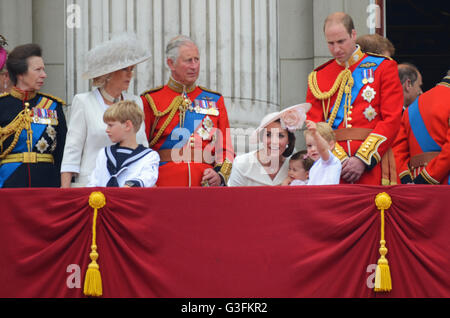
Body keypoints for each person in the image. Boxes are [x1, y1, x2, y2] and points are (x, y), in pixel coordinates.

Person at [306, 12, 403, 185]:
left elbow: (392, 119)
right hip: (334, 167)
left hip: (374, 165)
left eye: (341, 41)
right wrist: (340, 160)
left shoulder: (383, 67)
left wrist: (362, 159)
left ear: (353, 34)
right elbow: (315, 125)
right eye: (331, 43)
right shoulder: (318, 77)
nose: (336, 49)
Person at [141, 35, 234, 187]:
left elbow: (226, 148)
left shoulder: (215, 100)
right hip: (163, 184)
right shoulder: (150, 99)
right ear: (171, 63)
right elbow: (142, 146)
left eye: (196, 60)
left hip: (204, 184)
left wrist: (219, 175)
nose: (194, 66)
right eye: (188, 60)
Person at [61, 33, 150, 187]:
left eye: (132, 69)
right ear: (108, 74)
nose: (130, 74)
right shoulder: (83, 102)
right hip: (91, 185)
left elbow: (142, 145)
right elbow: (72, 150)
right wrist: (65, 190)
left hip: (128, 186)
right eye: (125, 69)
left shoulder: (135, 102)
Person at [0, 43, 67, 187]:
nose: (44, 75)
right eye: (38, 70)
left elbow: (63, 152)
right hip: (9, 184)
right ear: (20, 73)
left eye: (43, 69)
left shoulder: (53, 106)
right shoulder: (2, 105)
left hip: (47, 184)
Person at [228, 103, 310, 187]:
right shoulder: (242, 164)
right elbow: (232, 198)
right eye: (268, 135)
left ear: (288, 140)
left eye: (280, 136)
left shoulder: (296, 166)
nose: (274, 141)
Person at [393, 71, 450, 184]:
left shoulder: (410, 108)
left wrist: (407, 180)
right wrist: (426, 178)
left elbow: (397, 152)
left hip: (414, 183)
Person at [88, 100, 160, 187]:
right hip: (104, 199)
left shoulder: (149, 156)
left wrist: (132, 185)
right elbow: (94, 181)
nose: (107, 130)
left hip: (131, 199)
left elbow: (148, 178)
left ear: (127, 125)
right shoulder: (104, 153)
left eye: (110, 125)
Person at [303, 121, 341, 185]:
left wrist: (315, 134)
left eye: (317, 145)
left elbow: (323, 150)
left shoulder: (331, 161)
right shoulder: (315, 166)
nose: (313, 149)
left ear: (331, 145)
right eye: (309, 146)